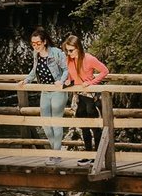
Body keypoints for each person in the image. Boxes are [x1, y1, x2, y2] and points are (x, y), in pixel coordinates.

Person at [61, 34, 109, 164]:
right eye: (67, 50)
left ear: (78, 48)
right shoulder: (68, 60)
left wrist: (92, 82)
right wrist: (67, 81)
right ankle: (89, 155)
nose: (68, 53)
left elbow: (105, 71)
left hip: (90, 96)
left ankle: (99, 156)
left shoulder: (89, 58)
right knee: (84, 126)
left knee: (95, 126)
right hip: (79, 96)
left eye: (71, 50)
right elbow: (71, 75)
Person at [22, 26, 69, 156]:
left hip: (57, 91)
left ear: (44, 42)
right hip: (44, 91)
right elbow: (34, 70)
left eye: (38, 43)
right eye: (33, 44)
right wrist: (26, 80)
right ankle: (56, 151)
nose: (35, 46)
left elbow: (66, 69)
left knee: (56, 122)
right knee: (45, 124)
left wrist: (61, 81)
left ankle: (56, 155)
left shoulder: (56, 52)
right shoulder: (35, 54)